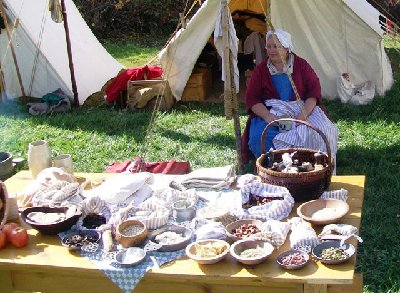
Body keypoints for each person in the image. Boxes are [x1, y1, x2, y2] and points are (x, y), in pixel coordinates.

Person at [242, 28, 338, 167]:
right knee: (259, 136)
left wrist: (303, 114)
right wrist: (268, 116)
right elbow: (252, 98)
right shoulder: (262, 70)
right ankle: (275, 167)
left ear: (287, 48)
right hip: (273, 110)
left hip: (301, 108)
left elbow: (314, 91)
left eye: (276, 46)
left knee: (323, 130)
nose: (271, 50)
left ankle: (314, 164)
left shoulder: (301, 65)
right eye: (269, 46)